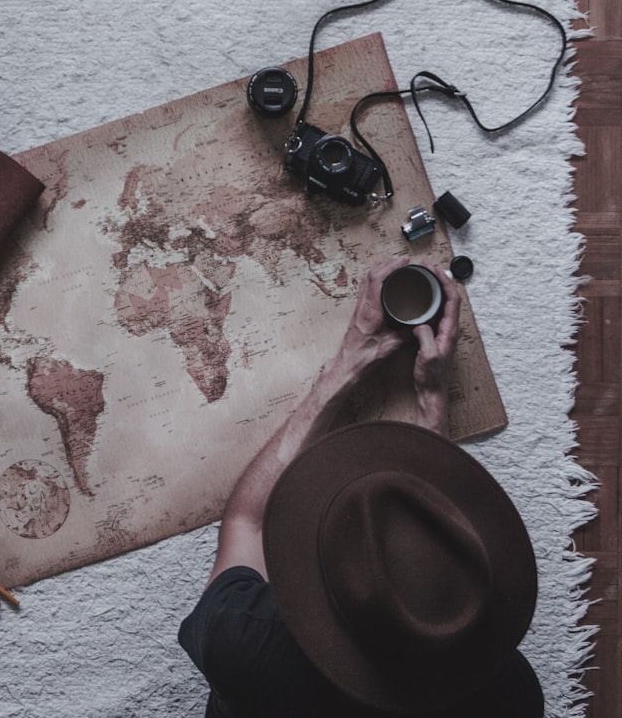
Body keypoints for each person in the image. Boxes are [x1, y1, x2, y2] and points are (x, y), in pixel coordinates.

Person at [179, 257, 544, 717]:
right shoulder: (510, 701)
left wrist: (351, 361)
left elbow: (249, 522)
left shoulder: (244, 644)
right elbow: (423, 566)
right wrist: (433, 411)